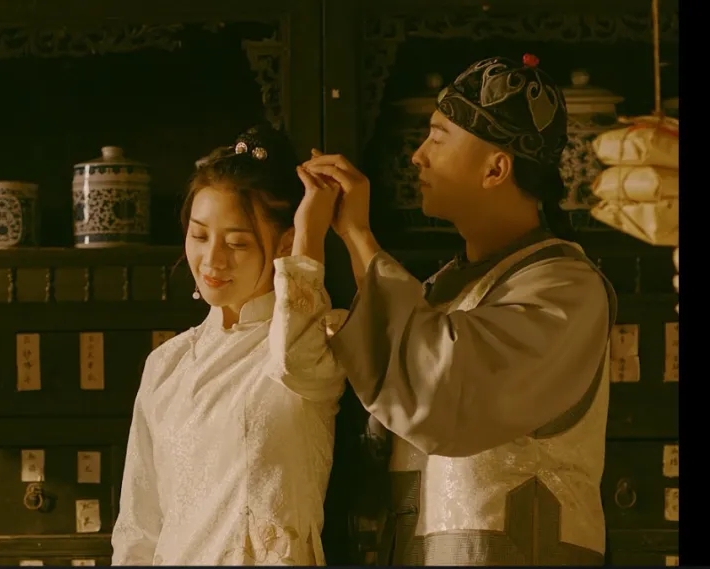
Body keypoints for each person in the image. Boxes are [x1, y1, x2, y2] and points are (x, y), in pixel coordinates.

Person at [299, 54, 618, 566]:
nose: (417, 157)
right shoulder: (445, 286)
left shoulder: (566, 289)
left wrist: (357, 235)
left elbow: (441, 386)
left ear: (496, 168)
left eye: (437, 138)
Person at [111, 125, 347, 565]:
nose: (212, 260)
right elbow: (138, 526)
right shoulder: (167, 364)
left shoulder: (315, 340)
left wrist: (310, 235)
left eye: (237, 242)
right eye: (200, 236)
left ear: (285, 244)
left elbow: (294, 358)